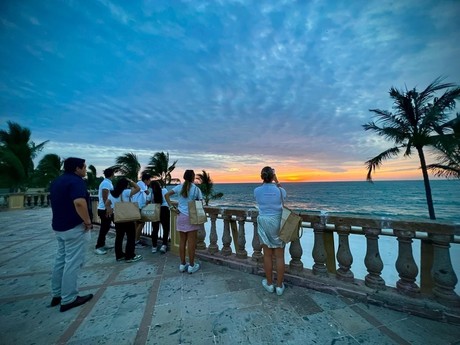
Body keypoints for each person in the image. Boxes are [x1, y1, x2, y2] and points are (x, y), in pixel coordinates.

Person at [49, 157, 94, 312]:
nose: (85, 170)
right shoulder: (76, 182)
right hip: (74, 227)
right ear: (77, 168)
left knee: (61, 260)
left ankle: (57, 294)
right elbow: (79, 202)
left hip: (59, 227)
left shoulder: (57, 181)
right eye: (84, 167)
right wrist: (88, 222)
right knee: (73, 262)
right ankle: (69, 298)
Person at [254, 166, 287, 296]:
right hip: (278, 221)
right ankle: (279, 286)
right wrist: (277, 181)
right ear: (273, 176)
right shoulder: (280, 190)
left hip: (264, 221)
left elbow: (260, 199)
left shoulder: (256, 190)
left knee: (267, 254)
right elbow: (283, 197)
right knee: (279, 256)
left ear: (262, 176)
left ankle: (269, 283)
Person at [164, 169, 203, 274]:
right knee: (191, 242)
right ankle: (191, 265)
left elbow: (166, 195)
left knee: (182, 241)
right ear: (193, 177)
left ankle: (182, 264)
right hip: (192, 218)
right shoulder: (196, 189)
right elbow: (200, 203)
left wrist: (171, 207)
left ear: (184, 177)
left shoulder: (179, 187)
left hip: (180, 216)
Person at [105, 178, 143, 263]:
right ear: (125, 185)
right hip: (127, 218)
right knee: (131, 237)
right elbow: (138, 188)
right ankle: (130, 256)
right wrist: (131, 181)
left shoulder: (112, 193)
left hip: (118, 217)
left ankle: (119, 256)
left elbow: (107, 204)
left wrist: (110, 210)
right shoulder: (125, 192)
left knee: (119, 237)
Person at [94, 168, 114, 255]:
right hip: (104, 209)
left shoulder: (107, 182)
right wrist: (108, 208)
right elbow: (105, 196)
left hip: (105, 208)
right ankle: (98, 246)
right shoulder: (106, 183)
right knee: (104, 228)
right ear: (112, 174)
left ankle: (102, 244)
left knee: (106, 227)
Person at [150, 180, 170, 254]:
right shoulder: (164, 190)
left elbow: (148, 201)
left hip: (156, 210)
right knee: (166, 228)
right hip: (164, 210)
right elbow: (168, 198)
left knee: (155, 229)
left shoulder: (152, 193)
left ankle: (154, 246)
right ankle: (164, 245)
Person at [133, 173, 152, 248]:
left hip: (139, 206)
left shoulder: (144, 185)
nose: (150, 181)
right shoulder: (140, 183)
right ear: (146, 180)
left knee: (138, 223)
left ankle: (135, 240)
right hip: (138, 206)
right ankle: (136, 241)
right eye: (149, 180)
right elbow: (147, 193)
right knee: (141, 223)